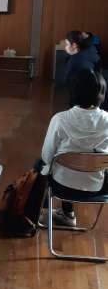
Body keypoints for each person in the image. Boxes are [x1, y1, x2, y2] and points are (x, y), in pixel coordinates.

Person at [40, 69, 108, 227]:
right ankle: (67, 215)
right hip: (98, 188)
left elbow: (47, 156)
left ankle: (43, 212)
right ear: (102, 94)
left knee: (43, 165)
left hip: (62, 187)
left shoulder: (60, 119)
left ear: (73, 92)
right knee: (87, 164)